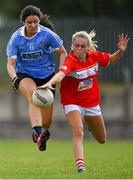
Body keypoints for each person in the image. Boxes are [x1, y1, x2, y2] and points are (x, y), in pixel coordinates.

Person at [38, 30, 129, 172]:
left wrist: (120, 51)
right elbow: (61, 74)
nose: (79, 49)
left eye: (82, 46)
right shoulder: (71, 60)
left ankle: (89, 123)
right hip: (72, 102)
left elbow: (110, 60)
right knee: (78, 131)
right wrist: (50, 83)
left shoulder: (94, 56)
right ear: (72, 46)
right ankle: (80, 166)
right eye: (76, 45)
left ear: (88, 47)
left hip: (91, 102)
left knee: (102, 139)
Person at [6, 5, 67, 151]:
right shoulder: (16, 38)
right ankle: (37, 133)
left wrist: (61, 72)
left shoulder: (47, 35)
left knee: (47, 121)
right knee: (33, 96)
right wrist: (15, 78)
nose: (33, 25)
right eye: (29, 22)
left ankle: (42, 133)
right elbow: (10, 64)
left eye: (35, 22)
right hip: (24, 74)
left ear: (39, 21)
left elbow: (63, 52)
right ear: (24, 23)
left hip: (47, 77)